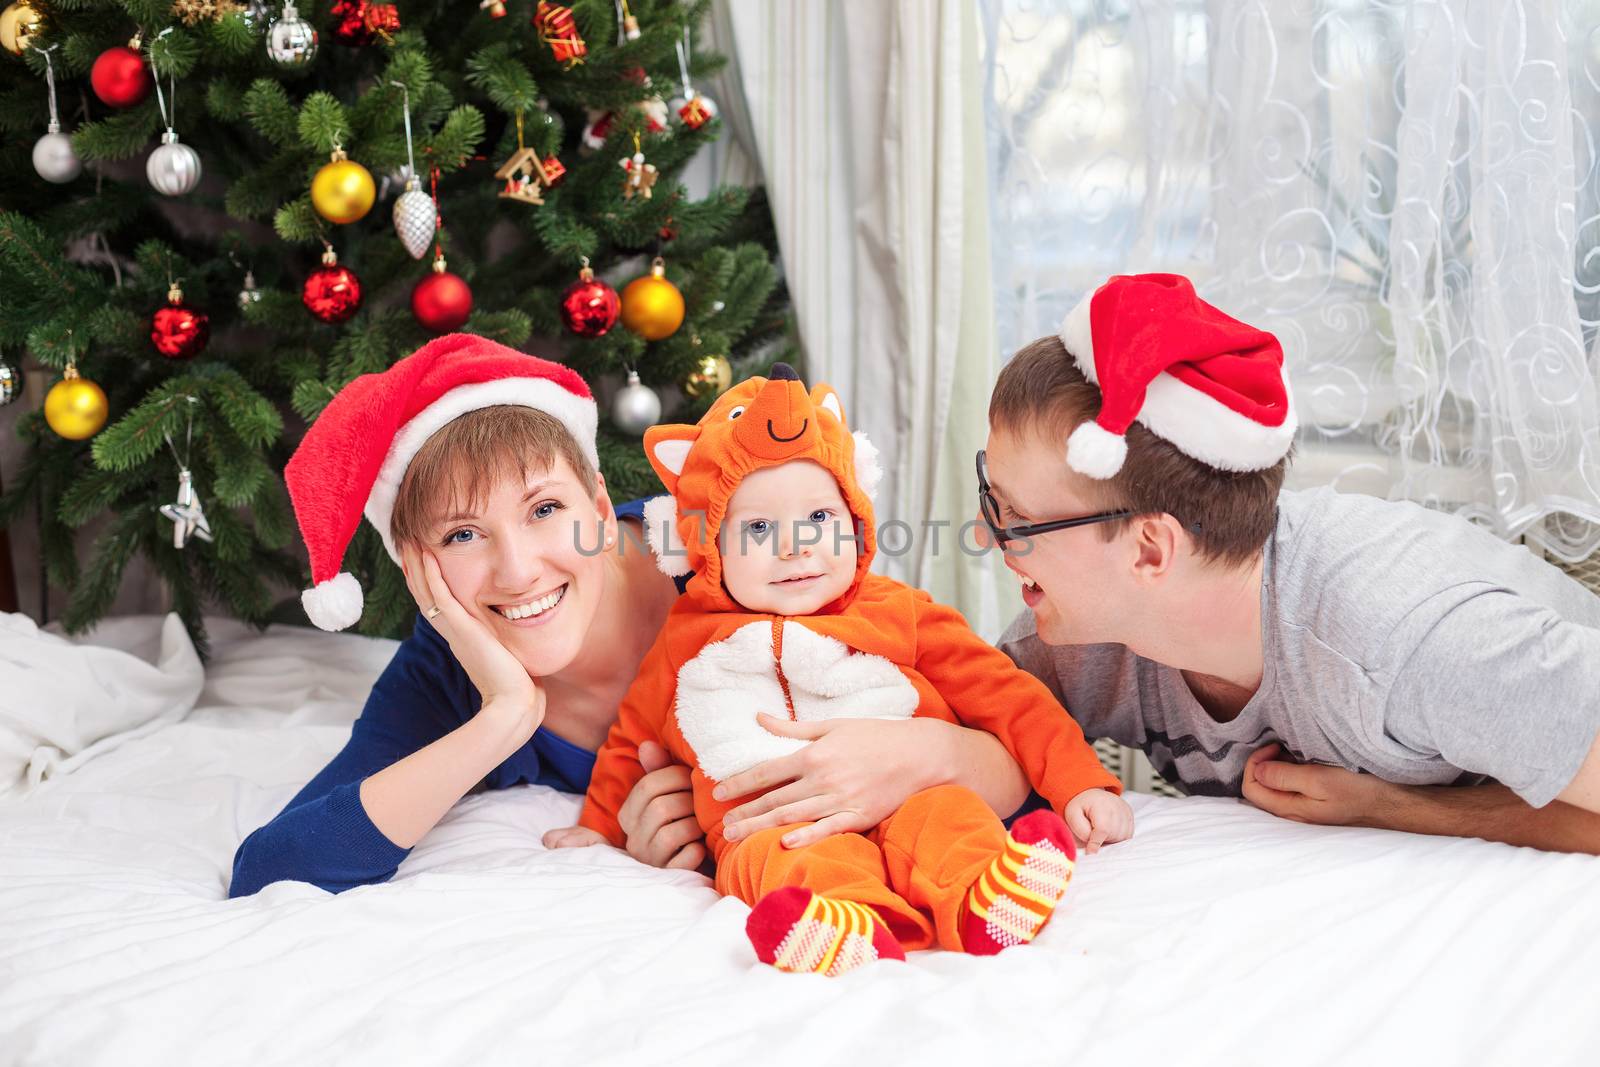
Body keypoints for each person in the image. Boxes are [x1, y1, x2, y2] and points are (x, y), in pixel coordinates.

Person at [229, 334, 1031, 897]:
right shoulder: (444, 674)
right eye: (462, 534)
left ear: (601, 502)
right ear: (415, 565)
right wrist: (504, 719)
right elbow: (273, 866)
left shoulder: (736, 552)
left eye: (545, 508)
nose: (518, 568)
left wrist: (924, 751)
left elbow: (1007, 749)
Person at [544, 365, 1130, 976]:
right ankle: (847, 926)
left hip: (910, 794)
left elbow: (1009, 697)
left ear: (854, 520)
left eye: (820, 518)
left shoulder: (898, 612)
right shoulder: (686, 641)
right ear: (708, 546)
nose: (796, 546)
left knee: (948, 820)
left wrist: (1082, 783)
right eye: (760, 528)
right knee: (773, 858)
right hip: (769, 824)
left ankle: (984, 900)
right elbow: (630, 739)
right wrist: (600, 827)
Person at [983, 273, 1600, 853]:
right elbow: (958, 740)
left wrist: (1396, 808)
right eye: (993, 499)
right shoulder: (1086, 632)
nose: (990, 540)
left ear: (1150, 550)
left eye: (1017, 518)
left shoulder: (1405, 638)